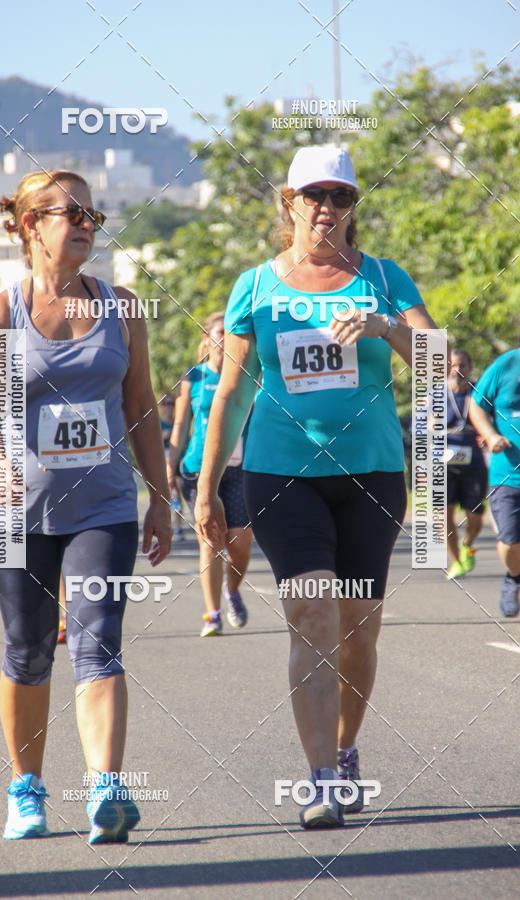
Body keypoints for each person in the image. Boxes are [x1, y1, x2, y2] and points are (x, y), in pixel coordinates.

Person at [194, 144, 440, 827]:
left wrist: (387, 325)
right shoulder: (256, 286)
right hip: (282, 474)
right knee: (311, 612)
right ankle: (320, 779)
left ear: (353, 207)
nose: (327, 208)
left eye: (341, 197)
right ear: (290, 203)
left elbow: (444, 361)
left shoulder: (385, 278)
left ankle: (346, 746)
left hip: (371, 477)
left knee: (359, 630)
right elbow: (233, 393)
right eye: (314, 195)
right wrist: (207, 486)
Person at [0, 169, 171, 842]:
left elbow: (141, 408)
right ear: (31, 225)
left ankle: (106, 789)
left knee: (98, 639)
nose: (87, 224)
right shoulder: (0, 313)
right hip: (11, 514)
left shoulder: (123, 307)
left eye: (93, 215)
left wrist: (161, 498)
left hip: (103, 507)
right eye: (71, 213)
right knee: (28, 651)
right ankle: (25, 789)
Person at [167, 312, 253, 636]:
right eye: (219, 332)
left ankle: (232, 591)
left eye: (229, 333)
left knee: (240, 543)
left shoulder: (246, 375)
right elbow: (179, 425)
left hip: (238, 468)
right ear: (207, 338)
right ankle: (212, 614)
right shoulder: (194, 377)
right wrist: (169, 467)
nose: (224, 338)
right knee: (211, 540)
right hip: (197, 471)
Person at [470, 351, 520, 617]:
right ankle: (514, 577)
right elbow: (476, 405)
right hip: (508, 475)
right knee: (510, 542)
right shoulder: (506, 364)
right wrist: (489, 435)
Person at [444, 350, 487, 580]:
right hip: (442, 464)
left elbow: (495, 420)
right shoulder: (434, 395)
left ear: (469, 368)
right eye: (451, 365)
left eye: (461, 365)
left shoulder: (479, 393)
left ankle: (468, 541)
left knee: (476, 516)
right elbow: (417, 428)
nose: (456, 370)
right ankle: (457, 562)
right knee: (444, 514)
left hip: (474, 462)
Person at [159, 394, 185, 540]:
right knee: (167, 494)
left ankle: (178, 527)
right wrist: (162, 436)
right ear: (162, 406)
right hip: (163, 461)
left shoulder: (177, 423)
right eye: (166, 404)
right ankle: (166, 526)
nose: (169, 407)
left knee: (178, 492)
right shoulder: (159, 424)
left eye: (172, 404)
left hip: (177, 461)